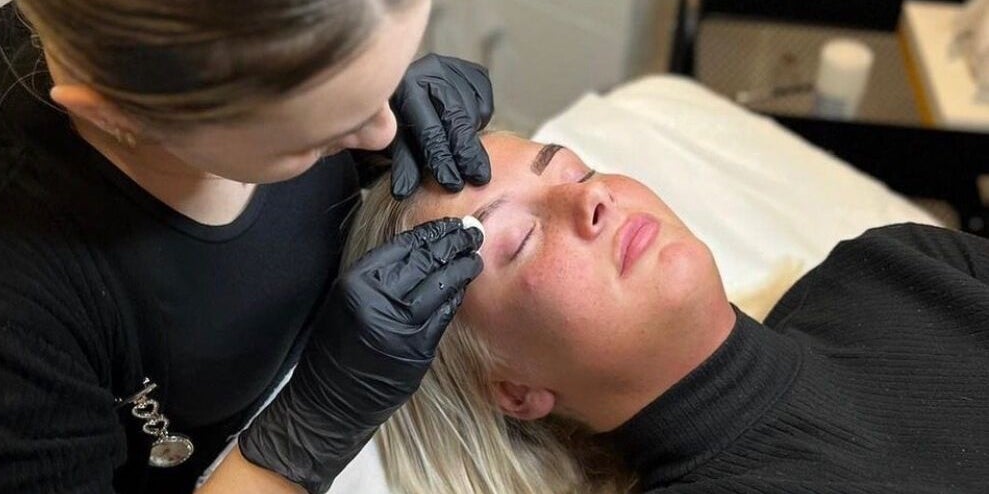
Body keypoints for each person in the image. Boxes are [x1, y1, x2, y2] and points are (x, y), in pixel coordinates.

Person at [0, 0, 493, 493]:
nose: (382, 128)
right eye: (314, 138)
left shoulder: (233, 72)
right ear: (117, 113)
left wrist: (364, 99)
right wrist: (304, 436)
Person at [345, 132, 989, 494]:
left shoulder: (894, 266)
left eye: (576, 170)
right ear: (515, 390)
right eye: (518, 239)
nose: (591, 198)